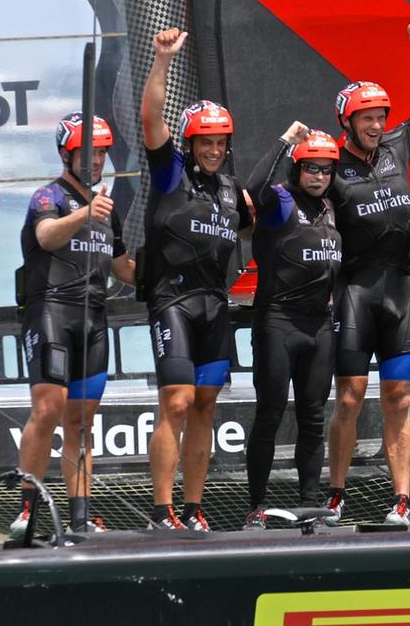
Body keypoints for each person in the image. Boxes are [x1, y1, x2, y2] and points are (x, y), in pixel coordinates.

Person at [325, 21, 410, 525]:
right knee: (351, 398)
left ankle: (402, 499)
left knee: (398, 398)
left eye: (380, 116)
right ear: (347, 122)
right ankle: (336, 493)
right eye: (367, 118)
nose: (377, 125)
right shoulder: (326, 163)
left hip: (401, 289)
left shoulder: (399, 144)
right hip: (354, 291)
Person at [140, 27, 253, 531]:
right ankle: (163, 511)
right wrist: (163, 60)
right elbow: (150, 120)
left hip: (214, 304)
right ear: (191, 142)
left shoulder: (231, 190)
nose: (213, 149)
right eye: (205, 141)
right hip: (173, 301)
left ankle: (193, 507)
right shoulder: (171, 175)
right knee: (178, 401)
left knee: (206, 405)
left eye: (220, 142)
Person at [11, 112, 136, 538]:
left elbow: (125, 269)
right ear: (67, 153)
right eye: (87, 152)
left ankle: (81, 514)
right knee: (47, 410)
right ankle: (27, 511)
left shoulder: (106, 209)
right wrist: (85, 214)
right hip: (51, 310)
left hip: (93, 318)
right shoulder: (49, 197)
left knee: (81, 422)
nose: (96, 160)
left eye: (101, 152)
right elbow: (46, 237)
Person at [242, 124, 342, 530]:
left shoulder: (333, 207)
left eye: (326, 170)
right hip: (278, 321)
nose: (319, 177)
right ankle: (256, 506)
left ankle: (310, 505)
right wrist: (285, 141)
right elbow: (252, 188)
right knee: (269, 413)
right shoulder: (281, 200)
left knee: (314, 417)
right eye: (311, 169)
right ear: (297, 169)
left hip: (318, 325)